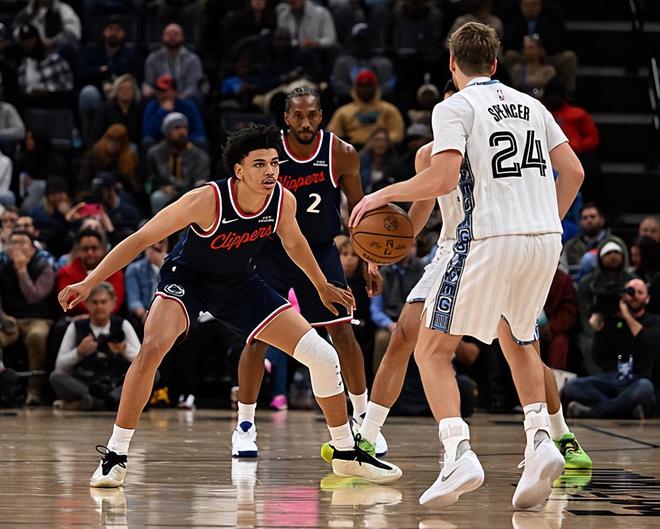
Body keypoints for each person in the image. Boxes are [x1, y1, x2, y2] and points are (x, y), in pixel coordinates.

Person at [57, 124, 401, 488]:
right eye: (259, 164)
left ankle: (345, 452)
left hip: (239, 285)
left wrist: (321, 285)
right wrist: (89, 281)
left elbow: (296, 243)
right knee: (153, 347)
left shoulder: (282, 201)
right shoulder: (206, 200)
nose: (270, 171)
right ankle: (116, 454)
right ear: (239, 170)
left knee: (323, 356)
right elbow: (140, 239)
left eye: (274, 163)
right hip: (188, 281)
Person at [349, 22, 585, 508]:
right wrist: (546, 222)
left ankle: (457, 452)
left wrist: (378, 193)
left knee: (432, 350)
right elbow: (575, 171)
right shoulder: (532, 105)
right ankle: (541, 439)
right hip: (544, 240)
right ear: (496, 64)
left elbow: (442, 178)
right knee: (520, 339)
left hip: (486, 240)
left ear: (453, 64)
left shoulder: (454, 107)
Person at [232, 87, 386, 458]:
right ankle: (245, 426)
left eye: (312, 115)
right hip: (271, 251)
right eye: (298, 116)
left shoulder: (340, 153)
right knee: (256, 337)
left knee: (343, 332)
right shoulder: (269, 154)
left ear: (321, 115)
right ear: (286, 117)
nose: (305, 123)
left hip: (319, 250)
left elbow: (359, 213)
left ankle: (363, 420)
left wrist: (370, 261)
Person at [563, 279, 660, 419]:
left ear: (647, 298)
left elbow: (647, 341)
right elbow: (599, 357)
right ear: (623, 296)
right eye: (630, 292)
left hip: (637, 379)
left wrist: (627, 315)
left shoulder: (654, 321)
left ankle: (592, 412)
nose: (634, 296)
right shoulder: (613, 321)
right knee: (571, 387)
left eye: (640, 292)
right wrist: (599, 329)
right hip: (612, 378)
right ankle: (625, 410)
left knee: (645, 387)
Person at [50, 282, 140, 410]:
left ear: (113, 303)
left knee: (153, 374)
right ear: (86, 303)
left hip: (116, 382)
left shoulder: (122, 324)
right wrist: (79, 352)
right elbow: (60, 366)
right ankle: (107, 402)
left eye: (103, 302)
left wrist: (124, 350)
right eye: (95, 302)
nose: (99, 306)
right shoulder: (76, 326)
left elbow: (141, 360)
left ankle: (98, 402)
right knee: (56, 377)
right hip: (87, 382)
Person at [0, 229, 55, 404]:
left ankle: (35, 390)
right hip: (11, 320)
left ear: (33, 248)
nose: (17, 247)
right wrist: (2, 317)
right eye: (13, 243)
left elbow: (34, 297)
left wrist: (22, 270)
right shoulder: (2, 266)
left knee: (37, 336)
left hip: (38, 319)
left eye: (22, 243)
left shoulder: (43, 266)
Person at [147, 112, 210, 214]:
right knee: (158, 197)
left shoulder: (200, 156)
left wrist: (190, 192)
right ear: (167, 131)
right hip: (167, 194)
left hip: (191, 195)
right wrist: (162, 188)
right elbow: (149, 182)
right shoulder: (155, 154)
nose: (182, 131)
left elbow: (201, 183)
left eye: (185, 127)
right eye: (176, 128)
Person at [327, 69, 404, 149]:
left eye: (369, 86)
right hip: (352, 150)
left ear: (375, 87)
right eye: (362, 86)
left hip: (382, 151)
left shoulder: (389, 110)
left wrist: (382, 142)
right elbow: (332, 135)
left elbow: (397, 133)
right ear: (356, 88)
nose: (366, 90)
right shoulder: (343, 112)